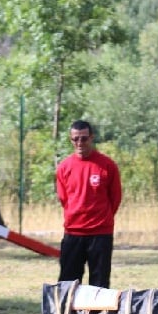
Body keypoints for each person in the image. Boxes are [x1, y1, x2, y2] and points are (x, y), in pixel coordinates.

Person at [55, 120, 122, 288]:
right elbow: (64, 199)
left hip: (100, 233)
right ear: (71, 139)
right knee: (68, 282)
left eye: (84, 138)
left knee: (99, 284)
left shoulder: (107, 165)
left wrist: (101, 219)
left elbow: (115, 198)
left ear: (91, 138)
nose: (79, 143)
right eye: (75, 139)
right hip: (73, 232)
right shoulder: (65, 167)